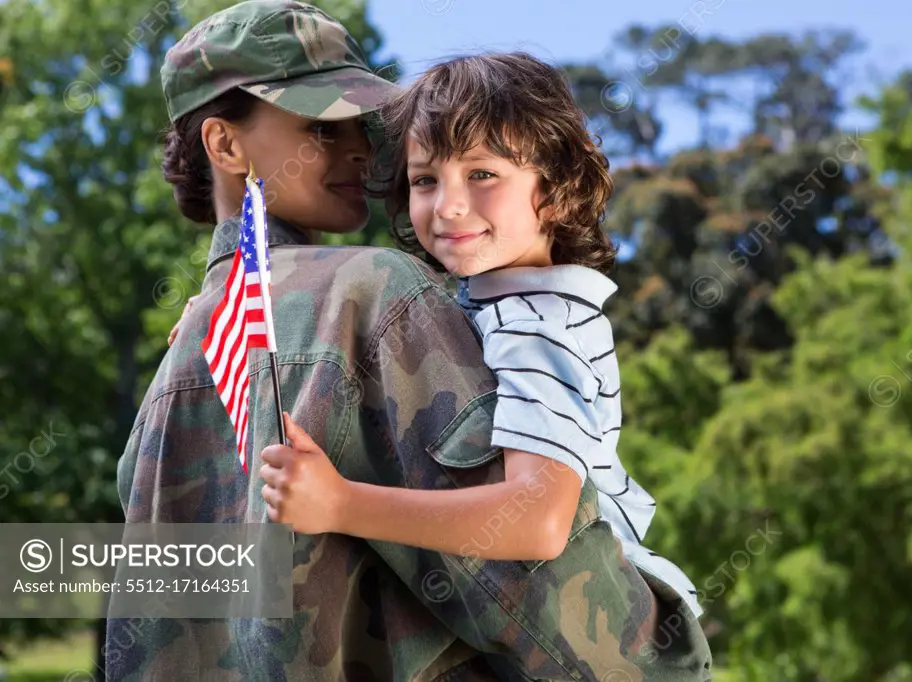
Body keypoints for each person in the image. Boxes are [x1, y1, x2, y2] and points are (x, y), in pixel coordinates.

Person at [125, 1, 712, 680]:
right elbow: (545, 591)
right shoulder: (378, 293)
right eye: (322, 126)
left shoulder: (184, 353)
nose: (360, 151)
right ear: (227, 146)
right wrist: (669, 657)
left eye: (364, 128)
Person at [257, 52, 704, 624]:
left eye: (483, 174)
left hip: (597, 623)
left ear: (556, 188)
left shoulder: (540, 326)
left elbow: (540, 520)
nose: (448, 206)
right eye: (425, 180)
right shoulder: (487, 300)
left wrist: (341, 504)